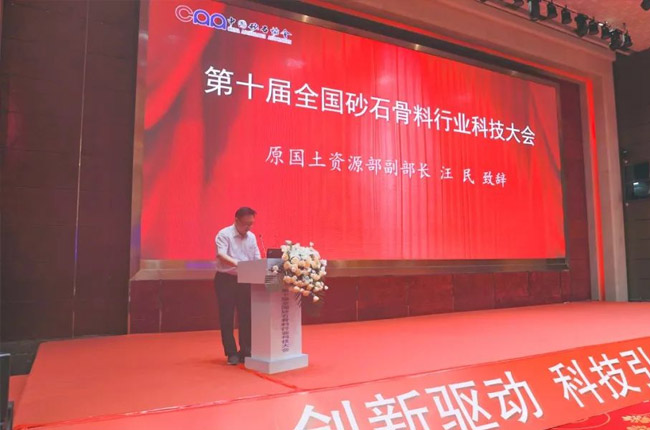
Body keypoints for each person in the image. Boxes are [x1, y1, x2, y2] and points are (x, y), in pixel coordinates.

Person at [214, 207, 261, 365]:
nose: (249, 227)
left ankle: (246, 351)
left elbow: (256, 257)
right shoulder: (224, 234)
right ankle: (231, 353)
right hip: (226, 279)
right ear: (236, 221)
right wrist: (240, 264)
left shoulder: (252, 237)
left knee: (246, 316)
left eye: (251, 224)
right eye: (246, 224)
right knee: (227, 316)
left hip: (245, 280)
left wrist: (260, 266)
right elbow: (221, 255)